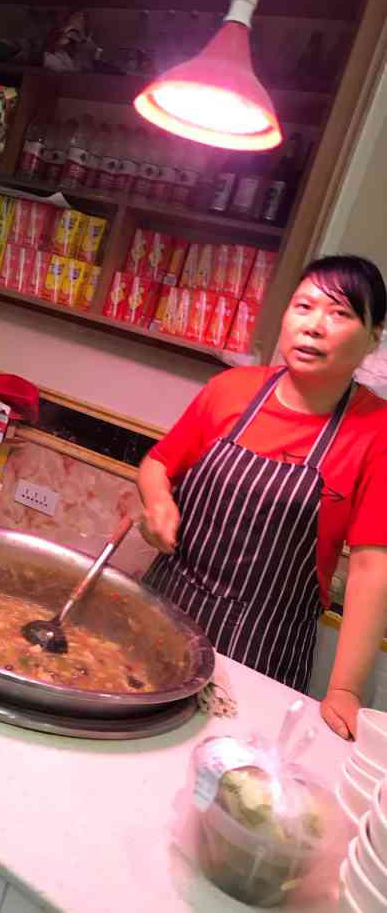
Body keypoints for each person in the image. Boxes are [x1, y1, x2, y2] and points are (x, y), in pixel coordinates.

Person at [138, 255, 387, 740]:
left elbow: (371, 567)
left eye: (339, 314)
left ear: (374, 336)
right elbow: (158, 464)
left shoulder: (377, 431)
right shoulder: (232, 388)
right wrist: (158, 503)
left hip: (260, 644)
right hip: (162, 611)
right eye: (304, 305)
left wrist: (346, 690)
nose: (313, 326)